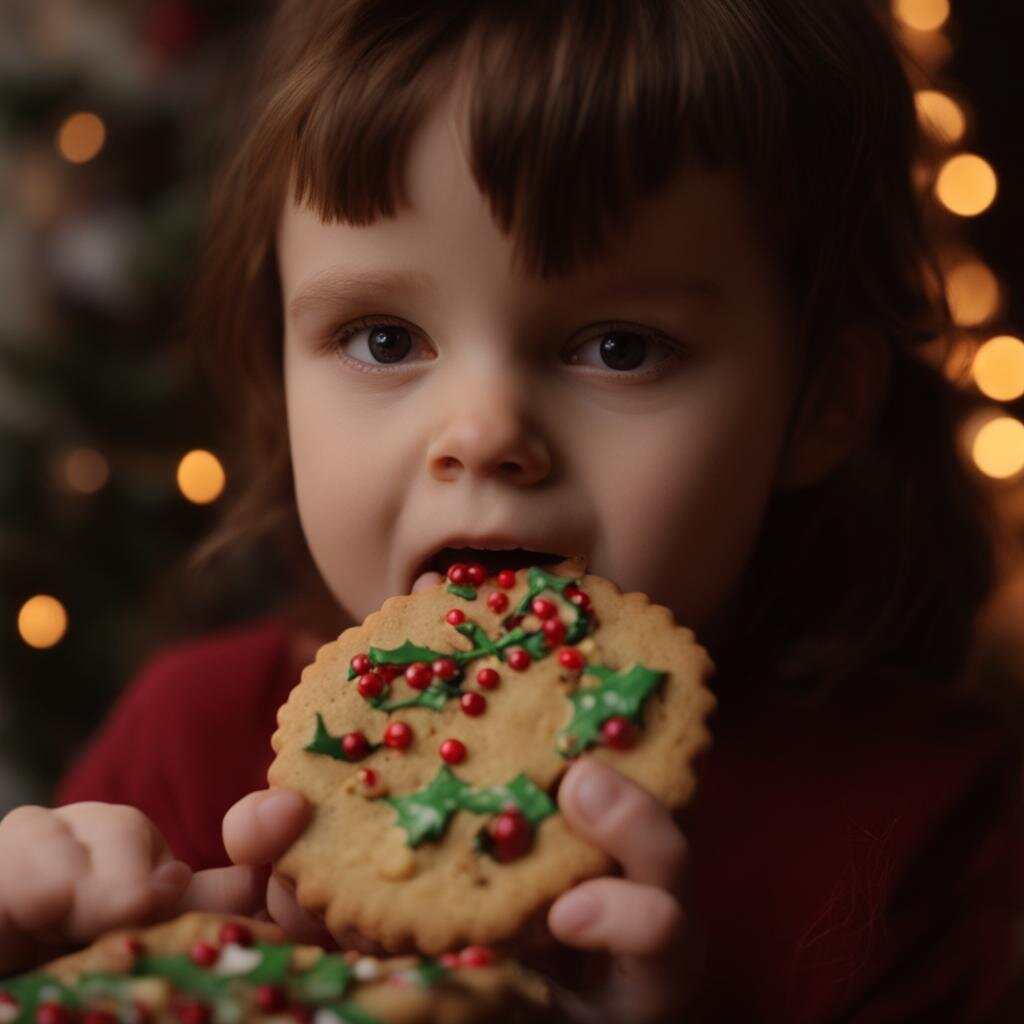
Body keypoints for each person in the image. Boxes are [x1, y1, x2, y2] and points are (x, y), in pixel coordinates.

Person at [1, 0, 1020, 1019]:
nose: (483, 431)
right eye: (384, 338)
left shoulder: (936, 838)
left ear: (821, 402)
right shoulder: (179, 762)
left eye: (620, 345)